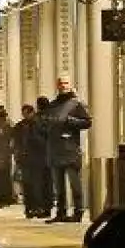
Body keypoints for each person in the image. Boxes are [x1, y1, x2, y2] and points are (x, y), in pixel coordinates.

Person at [40, 76, 91, 223]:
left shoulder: (76, 104)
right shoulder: (53, 104)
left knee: (75, 183)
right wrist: (46, 126)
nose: (63, 86)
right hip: (54, 149)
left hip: (70, 150)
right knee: (58, 186)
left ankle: (78, 212)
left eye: (66, 83)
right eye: (60, 83)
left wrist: (70, 121)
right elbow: (44, 123)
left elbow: (87, 122)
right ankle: (60, 212)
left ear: (71, 85)